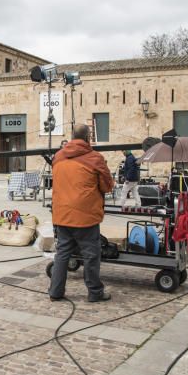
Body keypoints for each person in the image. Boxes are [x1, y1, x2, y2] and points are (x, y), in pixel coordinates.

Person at [48, 124, 114, 303]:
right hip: (85, 215)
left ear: (71, 136)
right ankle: (95, 292)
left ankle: (55, 291)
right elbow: (107, 186)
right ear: (88, 137)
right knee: (91, 255)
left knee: (62, 254)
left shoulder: (58, 156)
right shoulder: (95, 158)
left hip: (62, 214)